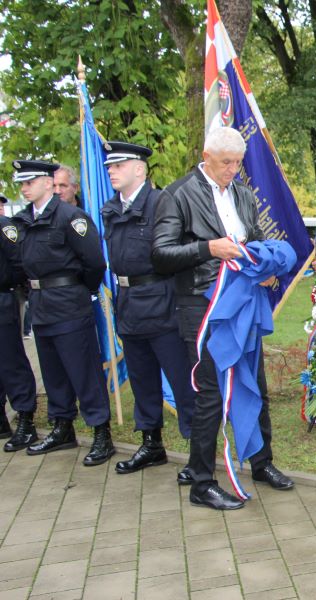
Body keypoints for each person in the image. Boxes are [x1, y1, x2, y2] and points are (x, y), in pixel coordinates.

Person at [153, 127, 293, 511]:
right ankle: (202, 481)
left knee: (254, 383)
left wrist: (266, 268)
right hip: (202, 307)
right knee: (211, 394)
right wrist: (207, 248)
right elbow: (160, 255)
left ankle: (262, 463)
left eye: (238, 163)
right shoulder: (177, 195)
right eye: (225, 162)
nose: (232, 170)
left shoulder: (243, 194)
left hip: (244, 302)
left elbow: (256, 240)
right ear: (206, 156)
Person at [10, 159, 115, 465]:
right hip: (41, 305)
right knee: (53, 372)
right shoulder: (23, 221)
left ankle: (101, 432)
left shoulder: (70, 217)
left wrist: (79, 291)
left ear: (47, 183)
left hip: (69, 303)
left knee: (84, 371)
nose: (24, 188)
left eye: (30, 182)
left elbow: (94, 263)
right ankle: (62, 427)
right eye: (22, 184)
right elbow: (20, 264)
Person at [99, 141, 196, 474]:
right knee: (142, 380)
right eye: (109, 166)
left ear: (139, 169)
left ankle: (198, 453)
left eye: (119, 165)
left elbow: (179, 252)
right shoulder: (111, 209)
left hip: (162, 301)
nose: (111, 171)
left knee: (182, 381)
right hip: (128, 303)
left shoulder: (161, 203)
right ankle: (152, 444)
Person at [1, 199, 38, 452]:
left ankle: (25, 420)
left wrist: (10, 287)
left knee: (10, 361)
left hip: (3, 298)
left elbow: (18, 263)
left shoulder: (4, 226)